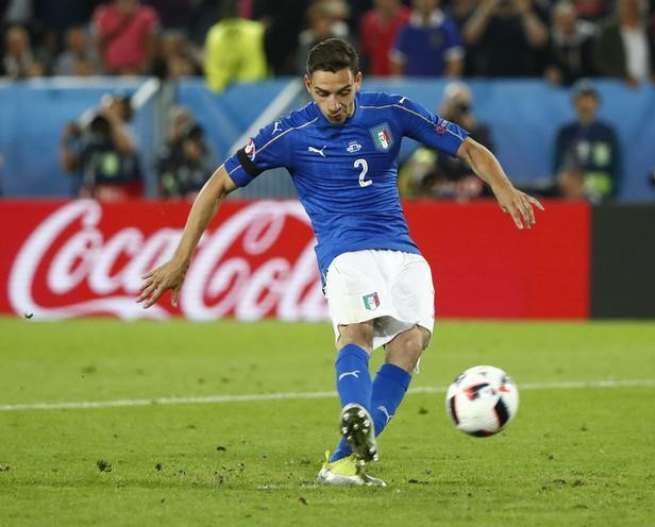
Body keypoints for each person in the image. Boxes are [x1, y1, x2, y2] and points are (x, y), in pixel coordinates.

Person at [138, 37, 543, 486]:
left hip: (402, 252)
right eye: (324, 94)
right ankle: (355, 412)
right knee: (357, 334)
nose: (334, 104)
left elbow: (467, 147)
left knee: (411, 343)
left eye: (344, 92)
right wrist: (182, 257)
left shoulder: (392, 111)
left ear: (359, 81)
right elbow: (217, 184)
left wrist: (503, 187)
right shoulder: (289, 134)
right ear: (308, 86)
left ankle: (342, 461)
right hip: (345, 253)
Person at [400, 81, 495, 199]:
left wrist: (476, 179)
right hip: (441, 183)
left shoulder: (479, 132)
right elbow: (424, 156)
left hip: (471, 185)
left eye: (462, 107)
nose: (458, 112)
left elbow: (487, 161)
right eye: (455, 106)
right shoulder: (436, 131)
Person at [60, 94, 143, 200]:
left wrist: (110, 117)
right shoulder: (89, 137)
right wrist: (66, 140)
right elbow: (69, 167)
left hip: (119, 193)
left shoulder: (124, 133)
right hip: (90, 194)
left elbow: (128, 147)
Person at [553, 82, 621, 202]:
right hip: (571, 199)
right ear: (574, 103)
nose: (585, 104)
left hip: (602, 198)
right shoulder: (565, 133)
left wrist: (612, 195)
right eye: (581, 99)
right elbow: (557, 167)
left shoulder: (607, 133)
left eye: (590, 99)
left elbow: (616, 168)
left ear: (597, 103)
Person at [204, 0, 269, 92]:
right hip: (253, 89)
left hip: (223, 90)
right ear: (239, 9)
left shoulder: (214, 33)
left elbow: (211, 67)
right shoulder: (256, 30)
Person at [391, 0, 464, 77]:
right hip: (412, 83)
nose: (425, 2)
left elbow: (455, 64)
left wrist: (445, 83)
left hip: (440, 83)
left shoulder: (448, 28)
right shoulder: (406, 28)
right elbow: (397, 63)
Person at [93, 0, 160, 75]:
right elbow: (100, 44)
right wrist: (105, 66)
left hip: (137, 69)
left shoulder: (147, 15)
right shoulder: (104, 14)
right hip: (111, 70)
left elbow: (150, 44)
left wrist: (145, 65)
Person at [594, 0, 651, 85]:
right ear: (620, 9)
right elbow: (600, 61)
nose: (631, 10)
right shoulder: (610, 33)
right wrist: (623, 76)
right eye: (627, 6)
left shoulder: (649, 31)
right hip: (620, 85)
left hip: (648, 85)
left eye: (634, 6)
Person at [544, 0, 597, 86]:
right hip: (562, 84)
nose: (566, 22)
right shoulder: (552, 39)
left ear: (575, 16)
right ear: (556, 21)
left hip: (590, 81)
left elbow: (594, 65)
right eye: (561, 19)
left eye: (568, 17)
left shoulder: (589, 36)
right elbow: (549, 65)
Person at [359, 0, 410, 76]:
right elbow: (366, 54)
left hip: (403, 79)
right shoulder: (368, 21)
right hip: (375, 78)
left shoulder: (408, 20)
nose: (387, 2)